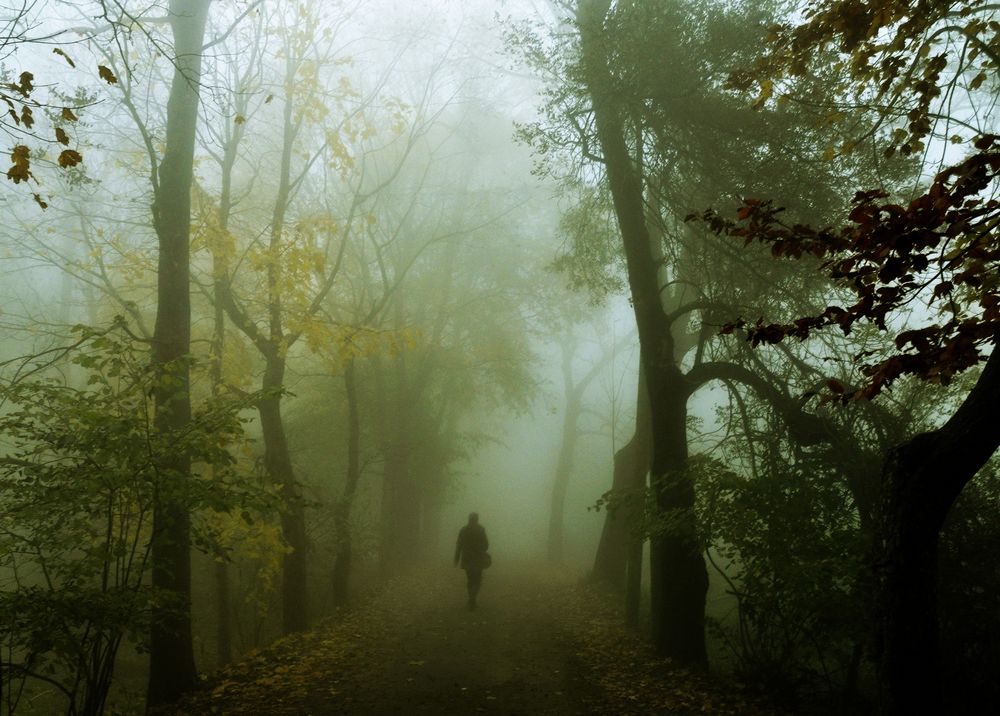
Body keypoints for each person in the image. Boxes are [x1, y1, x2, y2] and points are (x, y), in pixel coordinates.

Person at [454, 512, 490, 609]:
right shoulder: (481, 530)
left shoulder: (463, 530)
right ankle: (473, 599)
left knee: (470, 580)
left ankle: (471, 598)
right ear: (477, 519)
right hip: (478, 558)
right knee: (477, 579)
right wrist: (481, 549)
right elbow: (486, 545)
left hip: (467, 558)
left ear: (469, 519)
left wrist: (456, 559)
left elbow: (459, 545)